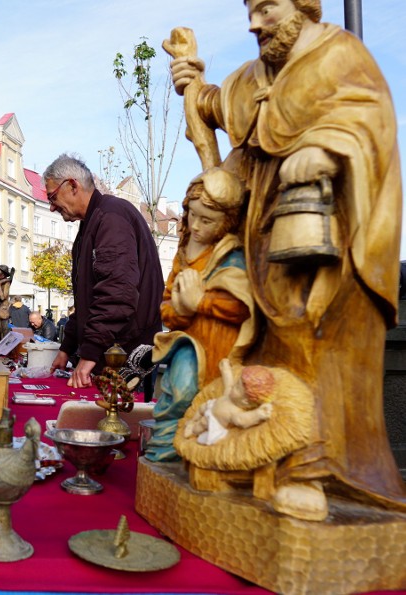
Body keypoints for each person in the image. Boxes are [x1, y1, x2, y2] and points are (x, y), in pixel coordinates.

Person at [170, 0, 405, 516]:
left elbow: (371, 124)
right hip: (268, 246)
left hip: (328, 241)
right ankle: (267, 461)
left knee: (317, 347)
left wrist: (327, 147)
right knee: (268, 362)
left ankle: (314, 472)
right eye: (251, 11)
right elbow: (219, 106)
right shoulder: (257, 73)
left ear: (304, 5)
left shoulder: (339, 54)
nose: (255, 24)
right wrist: (192, 82)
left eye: (267, 9)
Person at [145, 168, 253, 461]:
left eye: (207, 220)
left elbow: (244, 306)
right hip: (188, 346)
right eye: (192, 214)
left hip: (221, 350)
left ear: (228, 222)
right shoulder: (184, 251)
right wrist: (180, 310)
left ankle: (193, 456)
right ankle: (168, 451)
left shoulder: (233, 255)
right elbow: (166, 305)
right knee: (176, 395)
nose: (195, 225)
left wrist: (201, 302)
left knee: (210, 407)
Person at [45, 154, 164, 389]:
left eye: (52, 196)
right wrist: (66, 348)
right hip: (113, 354)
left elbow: (117, 294)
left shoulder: (111, 218)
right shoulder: (92, 224)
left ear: (72, 185)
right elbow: (86, 301)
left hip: (127, 359)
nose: (51, 206)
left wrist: (88, 355)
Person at [184, 359, 274, 446]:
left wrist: (258, 414)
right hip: (212, 405)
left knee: (202, 424)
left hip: (212, 420)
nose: (234, 386)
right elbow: (229, 383)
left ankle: (192, 431)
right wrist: (226, 369)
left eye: (237, 388)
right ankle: (192, 421)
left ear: (245, 401)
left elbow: (241, 420)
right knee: (201, 408)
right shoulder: (230, 395)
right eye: (237, 383)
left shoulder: (236, 412)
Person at [0, 264, 15, 342]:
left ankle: (5, 347)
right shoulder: (1, 282)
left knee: (4, 331)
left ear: (3, 275)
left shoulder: (6, 284)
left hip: (3, 310)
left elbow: (3, 297)